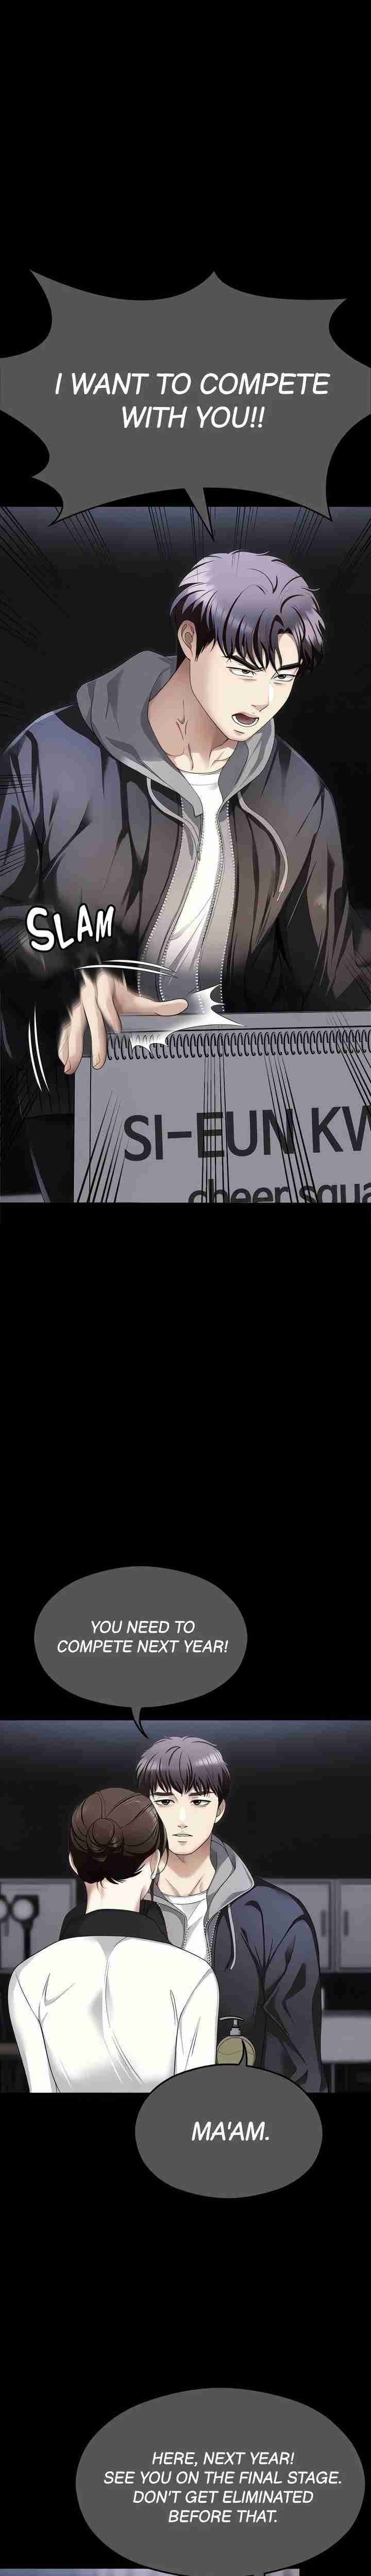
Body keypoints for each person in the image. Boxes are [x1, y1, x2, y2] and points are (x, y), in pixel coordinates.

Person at [1, 551, 370, 1090]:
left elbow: (335, 969)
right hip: (70, 1086)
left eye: (283, 676)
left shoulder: (297, 795)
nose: (263, 698)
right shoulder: (50, 757)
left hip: (236, 1092)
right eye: (243, 669)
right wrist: (65, 977)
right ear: (191, 641)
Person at [136, 1733, 326, 2092]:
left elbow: (299, 2063)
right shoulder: (125, 1910)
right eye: (165, 1801)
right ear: (147, 1808)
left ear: (220, 1809)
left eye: (198, 1802)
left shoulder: (278, 1918)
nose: (181, 1819)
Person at [7, 1786, 220, 2093]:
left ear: (74, 1862)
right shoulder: (193, 1977)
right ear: (156, 1863)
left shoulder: (29, 1978)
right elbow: (195, 2102)